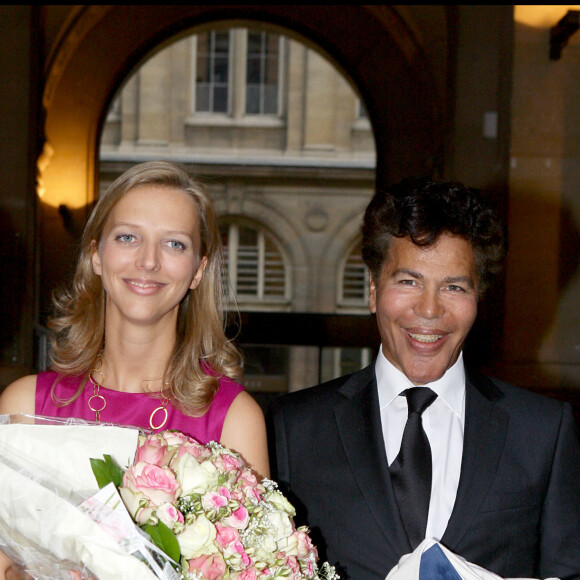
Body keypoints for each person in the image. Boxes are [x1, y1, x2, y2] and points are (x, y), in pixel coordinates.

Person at [268, 178, 580, 580]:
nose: (430, 309)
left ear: (477, 299)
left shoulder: (542, 433)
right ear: (373, 290)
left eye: (453, 286)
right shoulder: (293, 428)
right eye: (409, 281)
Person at [0, 161, 269, 578]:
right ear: (95, 254)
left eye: (174, 245)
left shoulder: (233, 420)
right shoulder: (25, 405)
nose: (148, 261)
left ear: (198, 270)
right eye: (128, 237)